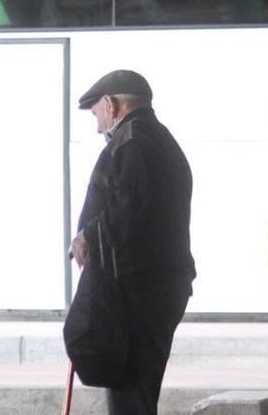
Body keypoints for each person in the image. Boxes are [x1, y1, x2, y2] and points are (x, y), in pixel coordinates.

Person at [71, 69, 196, 415]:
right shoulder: (151, 138)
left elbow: (130, 212)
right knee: (135, 391)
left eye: (96, 114)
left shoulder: (134, 141)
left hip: (139, 292)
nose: (97, 126)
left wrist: (87, 235)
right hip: (151, 288)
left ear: (111, 104)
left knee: (132, 395)